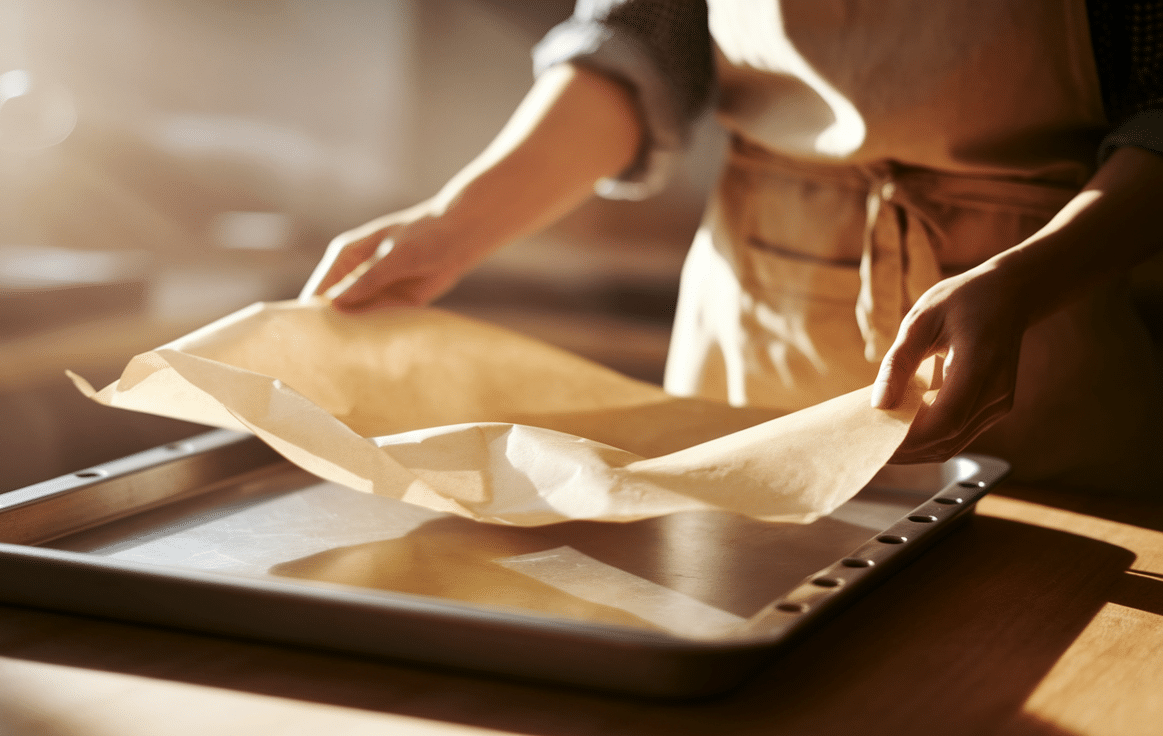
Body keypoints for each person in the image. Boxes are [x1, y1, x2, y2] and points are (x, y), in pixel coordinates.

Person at [302, 1, 1163, 491]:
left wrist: (1027, 280)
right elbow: (639, 43)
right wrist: (454, 223)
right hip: (754, 319)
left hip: (1045, 312)